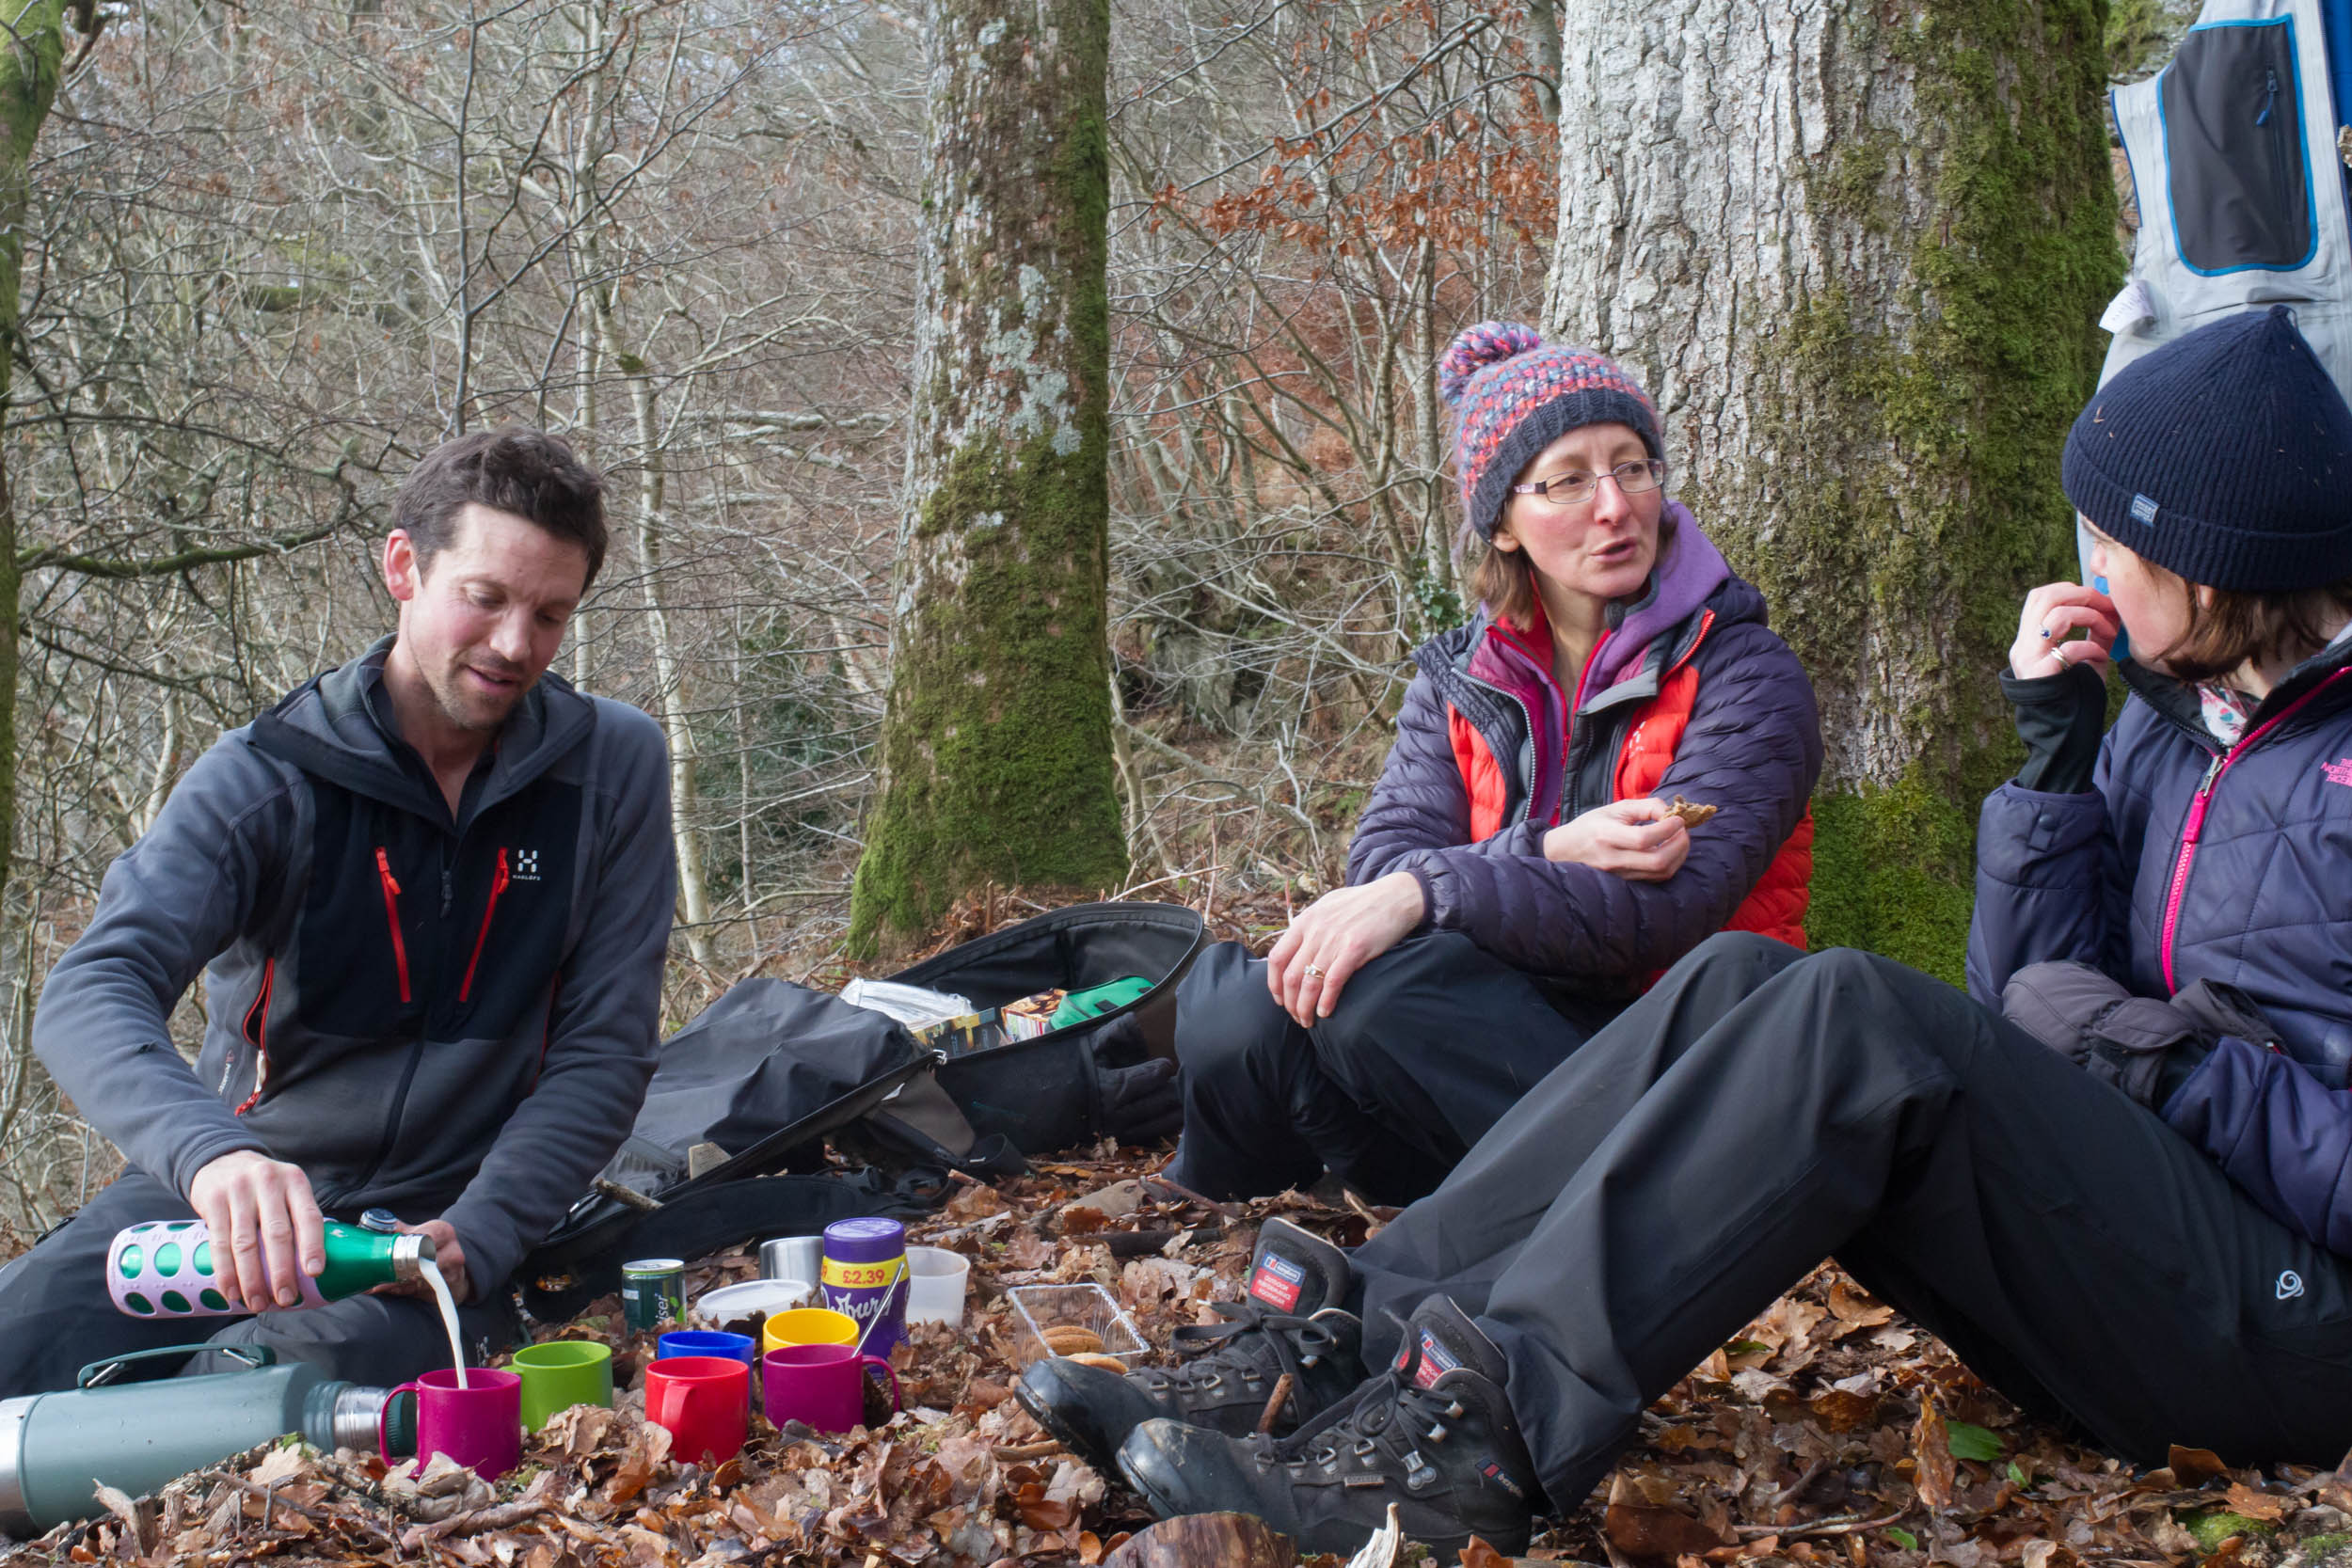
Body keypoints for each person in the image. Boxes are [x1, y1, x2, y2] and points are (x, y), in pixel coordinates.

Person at [1021, 305, 2352, 1557]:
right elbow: (2022, 1028)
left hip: (2291, 1330)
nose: (2092, 571)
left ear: (2208, 560)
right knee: (1744, 978)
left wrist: (2170, 1067)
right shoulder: (2176, 730)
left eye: (2111, 543)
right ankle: (1352, 1337)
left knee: (1845, 1012)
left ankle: (1474, 1448)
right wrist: (2056, 775)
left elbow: (2098, 1057)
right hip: (2142, 1254)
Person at [0, 428, 676, 1396]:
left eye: (550, 614)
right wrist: (213, 1157)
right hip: (231, 1197)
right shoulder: (269, 775)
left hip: (440, 1232)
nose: (515, 644)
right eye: (484, 599)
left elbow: (604, 1050)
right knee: (18, 1341)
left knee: (249, 1392)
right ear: (403, 565)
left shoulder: (613, 768)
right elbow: (90, 988)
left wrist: (484, 1230)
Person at [1167, 323, 1822, 1214]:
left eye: (1632, 466)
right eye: (1567, 480)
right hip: (1487, 1056)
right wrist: (1546, 850)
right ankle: (1208, 1233)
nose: (1615, 505)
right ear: (1505, 525)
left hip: (1678, 1070)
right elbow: (1383, 864)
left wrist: (1431, 893)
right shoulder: (1460, 678)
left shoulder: (1748, 674)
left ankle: (1614, 1228)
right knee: (1235, 999)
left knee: (1382, 996)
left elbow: (1668, 911)